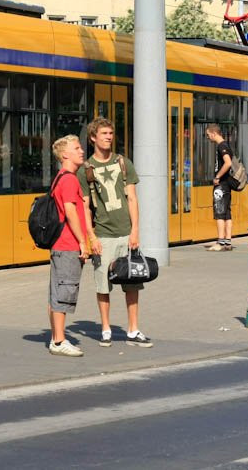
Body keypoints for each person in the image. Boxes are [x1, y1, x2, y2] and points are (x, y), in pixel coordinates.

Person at [83, 118, 152, 349]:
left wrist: (135, 231)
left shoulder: (124, 163)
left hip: (125, 234)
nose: (109, 137)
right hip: (102, 234)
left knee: (133, 282)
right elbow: (84, 207)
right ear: (93, 137)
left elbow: (132, 198)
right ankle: (105, 329)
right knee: (103, 284)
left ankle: (133, 329)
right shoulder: (86, 169)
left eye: (111, 133)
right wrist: (91, 237)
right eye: (103, 133)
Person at [47, 134, 89, 357]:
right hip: (68, 244)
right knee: (65, 292)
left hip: (59, 244)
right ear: (65, 155)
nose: (81, 151)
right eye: (76, 148)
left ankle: (56, 338)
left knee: (56, 292)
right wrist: (83, 241)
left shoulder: (59, 177)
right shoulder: (70, 179)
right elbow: (70, 211)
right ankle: (59, 340)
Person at [205, 124, 234, 251]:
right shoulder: (226, 145)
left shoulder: (221, 146)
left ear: (213, 133)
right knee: (227, 212)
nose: (208, 137)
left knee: (219, 212)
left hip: (221, 185)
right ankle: (227, 242)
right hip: (227, 184)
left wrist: (217, 177)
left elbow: (228, 163)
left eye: (208, 135)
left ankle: (220, 242)